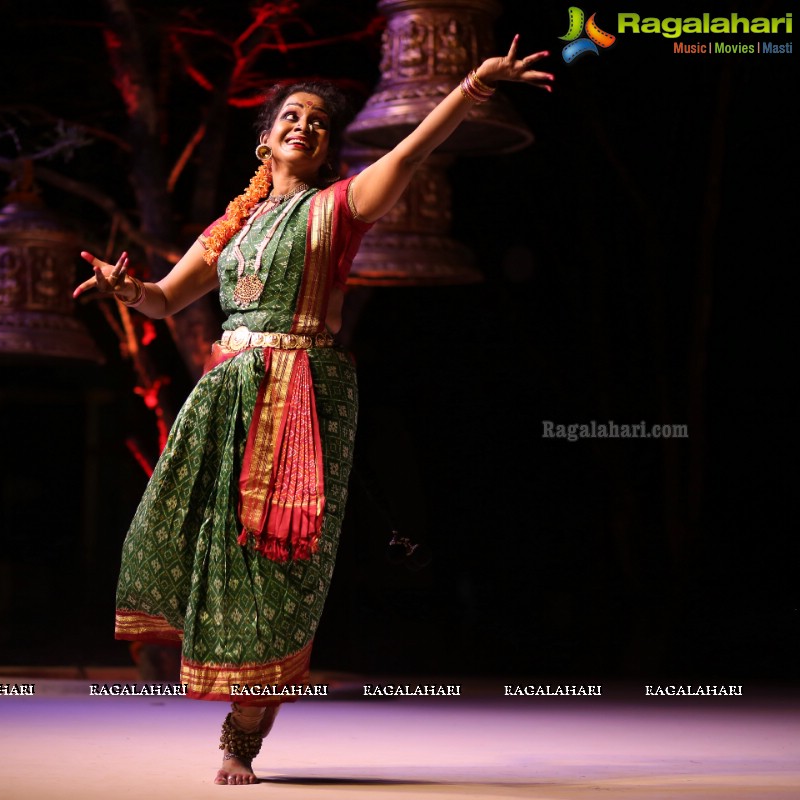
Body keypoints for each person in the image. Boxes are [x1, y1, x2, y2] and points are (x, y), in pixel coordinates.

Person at [74, 37, 552, 785]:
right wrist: (124, 290)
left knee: (281, 561)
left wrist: (471, 88)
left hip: (302, 395)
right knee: (177, 540)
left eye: (320, 122)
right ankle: (215, 679)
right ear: (265, 140)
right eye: (291, 116)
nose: (305, 124)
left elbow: (414, 152)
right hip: (225, 393)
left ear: (326, 150)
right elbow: (167, 297)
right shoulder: (233, 226)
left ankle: (244, 733)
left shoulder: (338, 207)